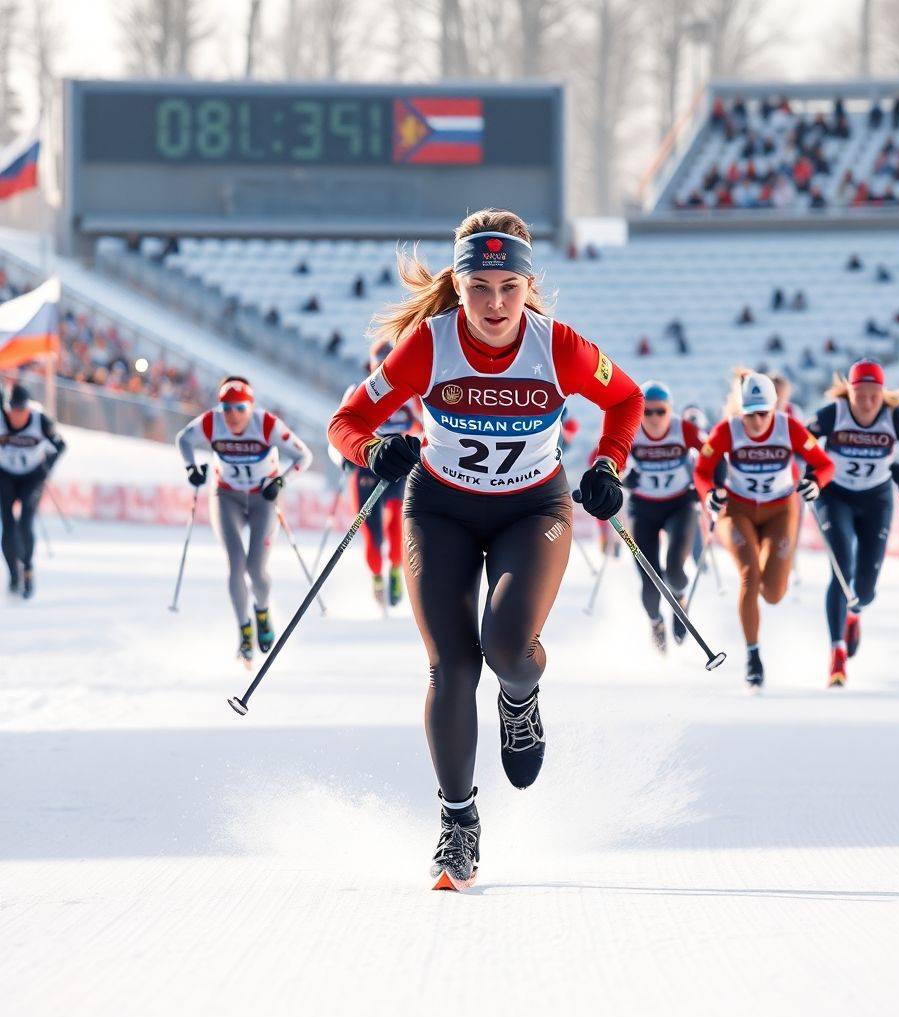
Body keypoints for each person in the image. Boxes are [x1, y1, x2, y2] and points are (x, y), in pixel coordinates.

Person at [327, 208, 643, 889]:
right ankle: (458, 825)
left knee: (505, 648)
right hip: (440, 509)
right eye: (480, 288)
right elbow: (346, 421)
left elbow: (628, 400)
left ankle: (521, 699)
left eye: (509, 287)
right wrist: (375, 449)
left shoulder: (558, 346)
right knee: (451, 668)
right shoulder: (426, 345)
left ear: (529, 285)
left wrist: (610, 466)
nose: (495, 304)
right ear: (459, 284)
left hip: (532, 509)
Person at [694, 371, 834, 688]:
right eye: (749, 415)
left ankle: (760, 608)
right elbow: (702, 471)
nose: (756, 423)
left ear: (774, 409)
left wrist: (815, 482)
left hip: (779, 510)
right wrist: (709, 495)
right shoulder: (727, 430)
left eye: (762, 414)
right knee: (748, 574)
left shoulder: (789, 427)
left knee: (772, 592)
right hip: (738, 510)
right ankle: (753, 656)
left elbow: (824, 464)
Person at [806, 361, 899, 687]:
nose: (866, 403)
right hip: (834, 496)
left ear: (883, 393)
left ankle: (854, 614)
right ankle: (836, 656)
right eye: (859, 395)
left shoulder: (894, 417)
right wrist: (809, 471)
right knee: (841, 567)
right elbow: (800, 442)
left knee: (864, 590)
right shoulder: (834, 413)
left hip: (876, 500)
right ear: (848, 391)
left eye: (873, 395)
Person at [175, 376, 313, 665]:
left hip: (264, 499)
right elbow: (184, 439)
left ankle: (262, 613)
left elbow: (304, 456)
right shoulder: (212, 422)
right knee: (235, 564)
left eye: (239, 408)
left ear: (250, 407)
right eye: (226, 407)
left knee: (256, 568)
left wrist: (281, 482)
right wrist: (191, 469)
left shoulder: (266, 424)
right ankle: (244, 630)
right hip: (227, 497)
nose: (232, 415)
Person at [333, 341, 423, 608]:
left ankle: (395, 568)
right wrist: (343, 459)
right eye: (378, 365)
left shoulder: (410, 392)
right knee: (371, 534)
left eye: (388, 362)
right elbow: (338, 430)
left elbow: (426, 428)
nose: (383, 369)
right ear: (370, 367)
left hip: (399, 466)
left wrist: (413, 444)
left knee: (396, 523)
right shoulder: (357, 391)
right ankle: (376, 577)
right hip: (366, 466)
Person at [622, 381, 706, 651]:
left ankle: (680, 599)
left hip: (679, 505)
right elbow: (608, 461)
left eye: (661, 411)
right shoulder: (631, 428)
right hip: (643, 508)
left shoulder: (684, 428)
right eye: (647, 412)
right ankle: (656, 622)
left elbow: (712, 457)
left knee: (675, 568)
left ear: (671, 410)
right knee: (649, 579)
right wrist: (623, 478)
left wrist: (702, 488)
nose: (655, 418)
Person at [0, 384, 66, 598]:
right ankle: (13, 574)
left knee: (25, 523)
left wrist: (47, 467)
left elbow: (60, 445)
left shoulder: (40, 421)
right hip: (6, 475)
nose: (17, 417)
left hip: (31, 477)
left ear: (27, 409)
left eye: (21, 411)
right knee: (8, 526)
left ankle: (27, 568)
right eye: (13, 411)